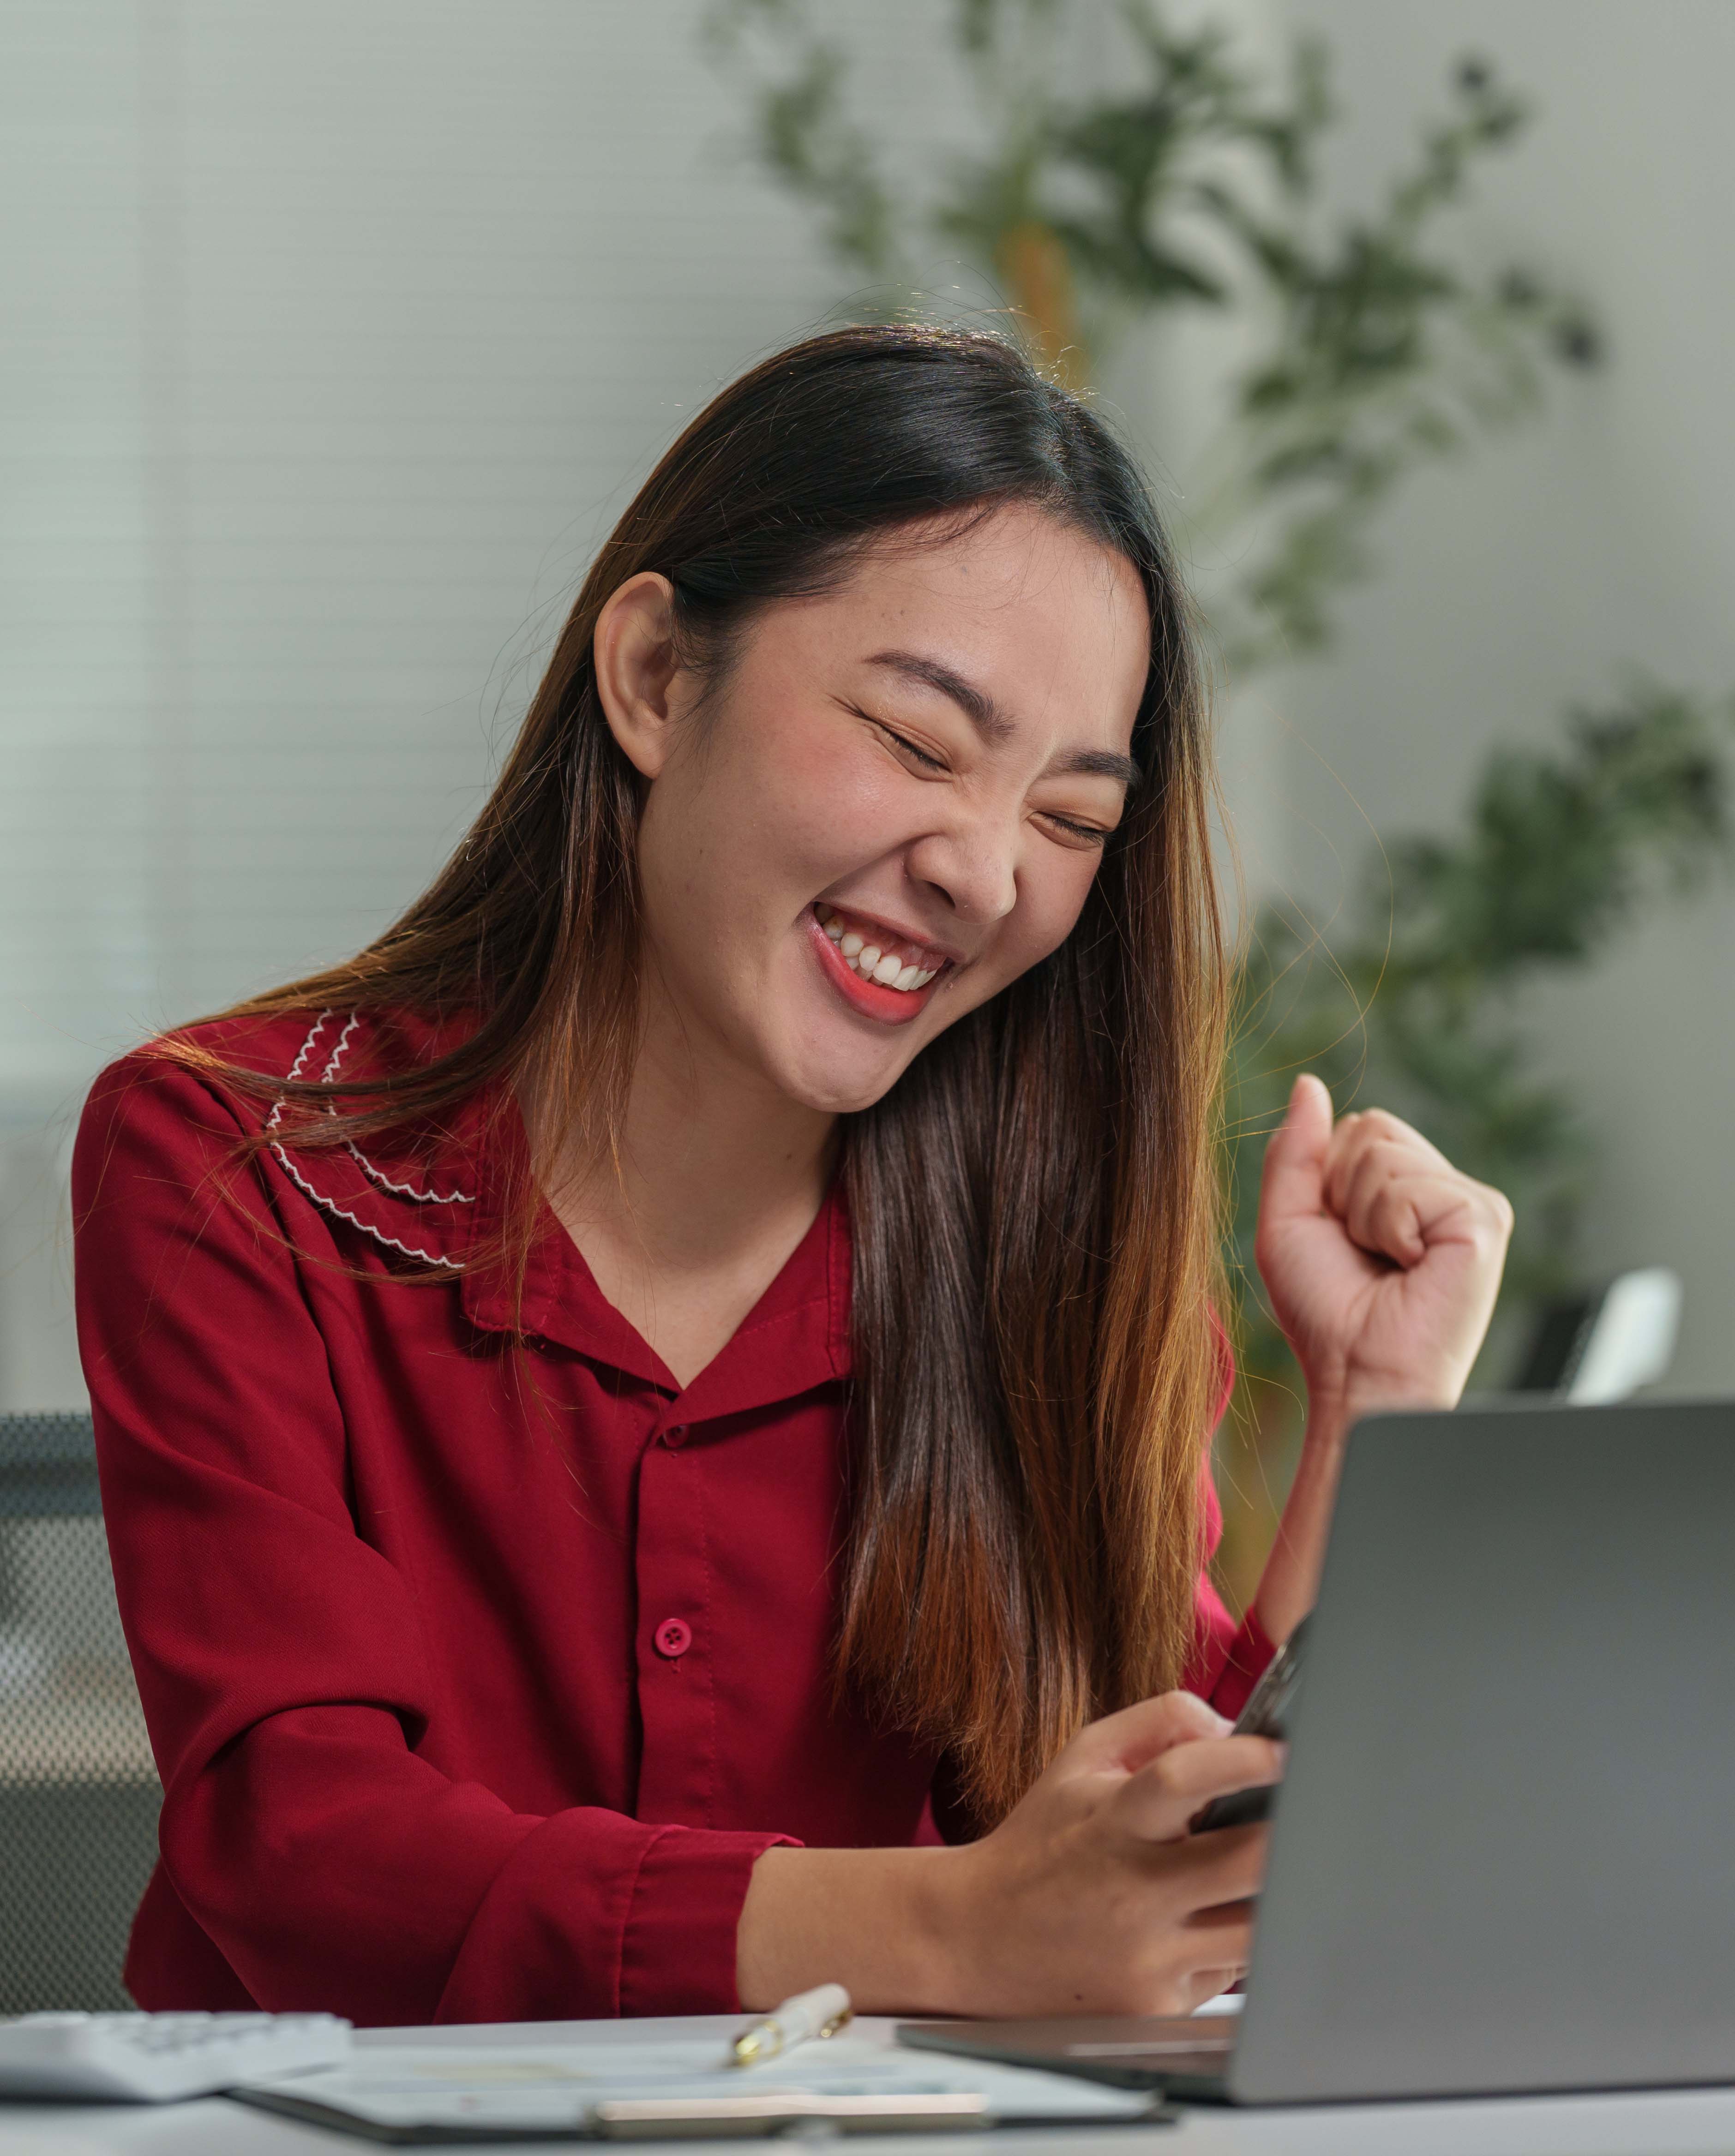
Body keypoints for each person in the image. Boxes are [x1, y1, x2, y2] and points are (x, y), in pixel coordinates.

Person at [72, 325, 1512, 2028]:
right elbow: (304, 1851)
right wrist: (956, 1932)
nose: (984, 872)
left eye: (1070, 819)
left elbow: (1162, 1831)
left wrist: (1372, 1408)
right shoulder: (243, 1162)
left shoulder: (1041, 1249)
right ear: (659, 678)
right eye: (917, 740)